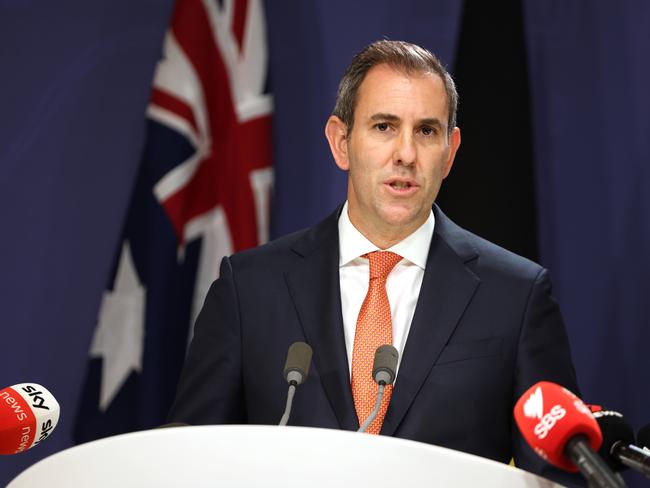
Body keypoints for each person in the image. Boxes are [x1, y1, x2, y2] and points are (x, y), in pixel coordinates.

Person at [168, 40, 579, 482]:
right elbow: (190, 461)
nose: (405, 154)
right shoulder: (249, 289)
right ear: (341, 142)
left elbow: (557, 476)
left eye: (426, 131)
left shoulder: (515, 296)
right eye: (384, 126)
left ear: (450, 151)